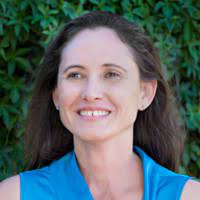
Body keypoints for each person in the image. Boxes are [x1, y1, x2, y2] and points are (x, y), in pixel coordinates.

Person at [0, 11, 199, 200]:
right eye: (75, 75)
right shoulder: (14, 195)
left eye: (112, 74)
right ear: (57, 95)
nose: (91, 93)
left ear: (145, 93)